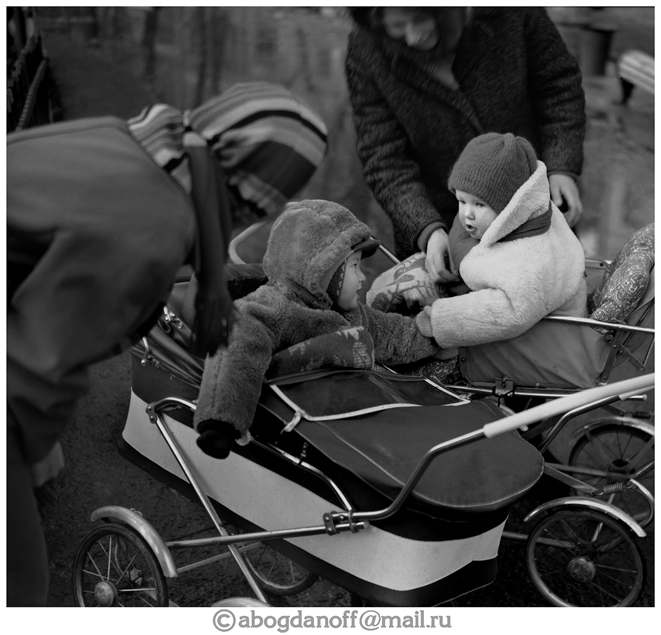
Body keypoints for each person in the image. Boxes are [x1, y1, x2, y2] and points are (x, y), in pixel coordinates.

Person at [6, 81, 328, 606]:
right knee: (19, 581)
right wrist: (32, 447)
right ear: (246, 195)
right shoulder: (153, 223)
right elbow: (39, 363)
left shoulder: (126, 144)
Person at [345, 7, 586, 284]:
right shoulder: (366, 49)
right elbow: (384, 160)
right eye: (398, 25)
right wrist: (426, 229)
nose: (412, 37)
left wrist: (561, 166)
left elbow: (559, 86)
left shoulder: (513, 11)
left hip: (533, 212)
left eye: (423, 16)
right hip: (442, 228)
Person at [192, 199, 445, 458]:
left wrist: (436, 329)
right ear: (323, 270)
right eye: (354, 266)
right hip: (294, 420)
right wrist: (221, 423)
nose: (362, 277)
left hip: (345, 410)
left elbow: (391, 334)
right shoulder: (274, 307)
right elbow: (237, 345)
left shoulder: (351, 312)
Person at [413, 132, 588, 348]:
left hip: (549, 345)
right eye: (461, 200)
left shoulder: (532, 261)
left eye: (479, 204)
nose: (467, 213)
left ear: (510, 206)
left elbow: (509, 312)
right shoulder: (523, 216)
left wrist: (440, 320)